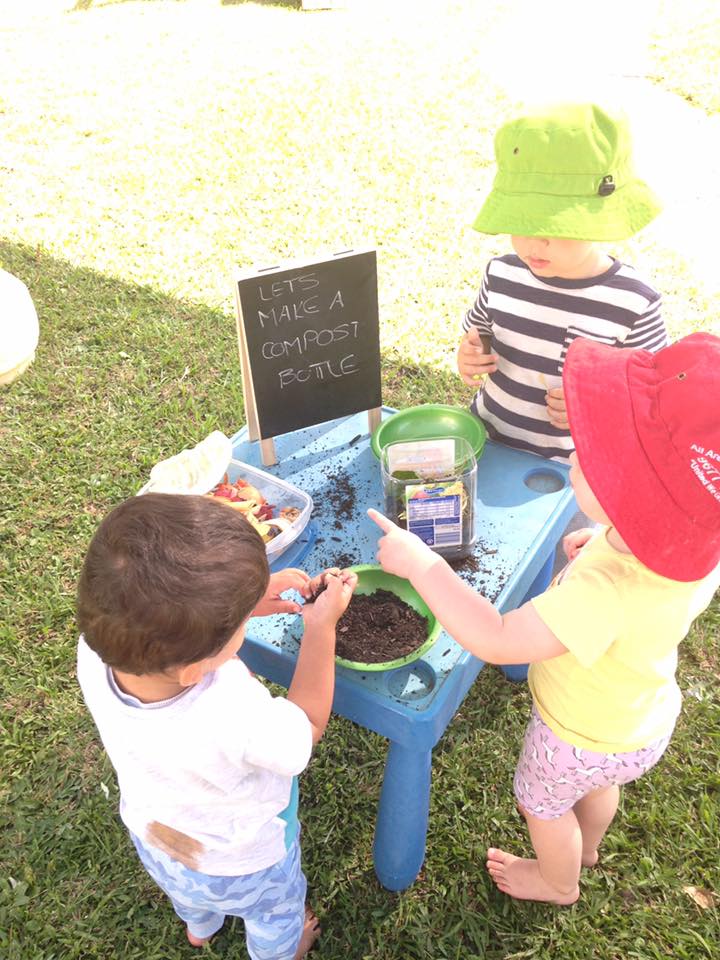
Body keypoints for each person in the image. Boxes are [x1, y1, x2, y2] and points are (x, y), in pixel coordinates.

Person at [369, 332, 720, 904]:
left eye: (589, 453)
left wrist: (424, 566)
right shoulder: (687, 547)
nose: (575, 452)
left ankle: (559, 880)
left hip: (576, 736)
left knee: (542, 804)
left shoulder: (603, 594)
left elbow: (498, 637)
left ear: (628, 498)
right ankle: (588, 846)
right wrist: (604, 536)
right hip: (640, 719)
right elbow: (642, 582)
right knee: (599, 786)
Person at [76, 492, 356, 956]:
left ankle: (200, 927)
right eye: (240, 622)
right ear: (194, 669)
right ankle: (283, 950)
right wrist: (321, 629)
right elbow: (303, 730)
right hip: (243, 863)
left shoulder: (97, 652)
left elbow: (171, 628)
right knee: (273, 914)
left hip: (159, 839)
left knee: (190, 895)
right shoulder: (230, 708)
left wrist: (236, 600)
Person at [457, 101, 667, 461]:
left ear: (600, 220)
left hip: (570, 468)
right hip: (488, 442)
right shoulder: (502, 273)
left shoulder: (632, 303)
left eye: (556, 227)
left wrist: (593, 412)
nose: (534, 244)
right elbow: (475, 336)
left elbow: (649, 395)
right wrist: (468, 357)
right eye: (521, 224)